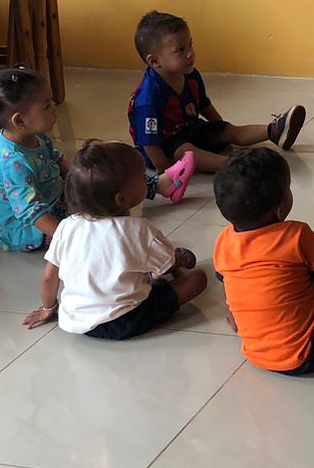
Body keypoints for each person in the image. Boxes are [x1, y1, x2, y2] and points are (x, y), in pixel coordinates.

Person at [212, 147, 314, 376]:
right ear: (279, 211)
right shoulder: (296, 235)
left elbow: (230, 288)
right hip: (310, 350)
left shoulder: (223, 241)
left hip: (256, 353)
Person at [22, 141, 208, 338]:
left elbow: (49, 277)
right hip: (125, 320)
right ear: (121, 199)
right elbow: (167, 266)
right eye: (142, 179)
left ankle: (153, 274)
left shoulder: (66, 226)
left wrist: (48, 308)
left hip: (77, 321)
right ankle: (165, 270)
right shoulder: (138, 230)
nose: (146, 181)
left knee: (147, 268)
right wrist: (178, 260)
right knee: (197, 279)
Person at [128, 10, 306, 174]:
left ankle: (275, 130)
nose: (190, 53)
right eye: (180, 50)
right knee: (187, 151)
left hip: (191, 128)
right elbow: (149, 141)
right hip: (165, 144)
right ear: (154, 61)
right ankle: (232, 165)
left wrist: (221, 130)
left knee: (229, 130)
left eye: (190, 44)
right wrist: (164, 167)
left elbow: (204, 106)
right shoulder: (148, 98)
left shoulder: (190, 75)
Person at [0, 68, 68, 252]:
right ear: (19, 121)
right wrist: (67, 238)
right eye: (47, 106)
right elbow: (29, 209)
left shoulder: (35, 136)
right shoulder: (12, 161)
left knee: (96, 199)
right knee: (84, 230)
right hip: (25, 226)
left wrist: (82, 180)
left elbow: (57, 160)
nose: (55, 108)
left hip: (52, 202)